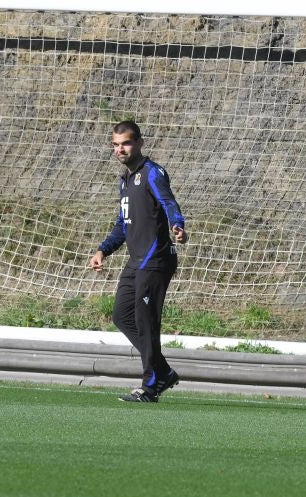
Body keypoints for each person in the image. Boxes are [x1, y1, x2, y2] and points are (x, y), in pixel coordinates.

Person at [90, 121, 188, 403]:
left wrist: (177, 225)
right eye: (116, 144)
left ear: (139, 143)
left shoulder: (152, 173)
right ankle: (163, 371)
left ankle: (151, 383)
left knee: (146, 321)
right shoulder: (124, 180)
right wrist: (102, 250)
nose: (120, 149)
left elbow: (169, 203)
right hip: (136, 261)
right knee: (122, 315)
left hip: (155, 259)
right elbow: (123, 224)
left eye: (126, 143)